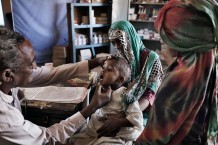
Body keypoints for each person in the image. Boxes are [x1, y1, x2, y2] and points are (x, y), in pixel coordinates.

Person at [0, 27, 112, 145]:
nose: (35, 66)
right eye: (30, 64)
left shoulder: (9, 79)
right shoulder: (5, 118)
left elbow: (50, 74)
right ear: (8, 74)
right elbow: (46, 138)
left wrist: (95, 62)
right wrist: (91, 108)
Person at [135, 0, 218, 144]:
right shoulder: (210, 67)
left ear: (185, 39)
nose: (162, 39)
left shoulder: (179, 81)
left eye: (167, 34)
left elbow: (153, 139)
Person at [96, 20, 164, 137]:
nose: (117, 46)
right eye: (114, 43)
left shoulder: (152, 59)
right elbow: (116, 87)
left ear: (129, 37)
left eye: (119, 41)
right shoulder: (119, 59)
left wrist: (121, 119)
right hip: (120, 107)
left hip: (142, 111)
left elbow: (149, 96)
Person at [69, 56, 144, 145]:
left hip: (114, 137)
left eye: (109, 70)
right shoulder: (99, 88)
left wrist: (117, 122)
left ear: (120, 79)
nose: (103, 71)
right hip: (93, 133)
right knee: (72, 140)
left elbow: (137, 117)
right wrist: (78, 83)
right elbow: (90, 84)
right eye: (103, 68)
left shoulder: (125, 96)